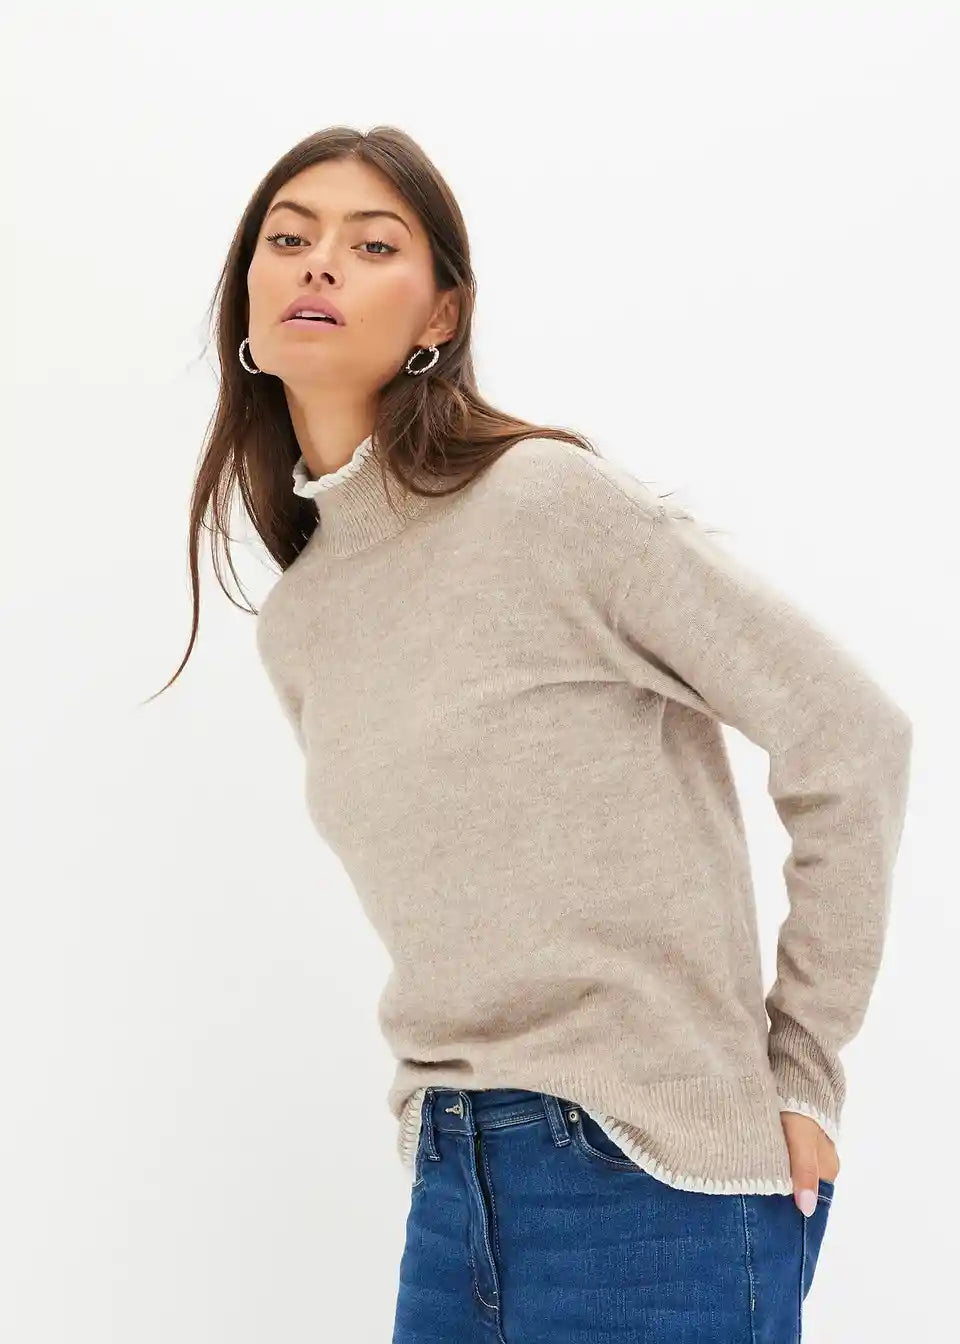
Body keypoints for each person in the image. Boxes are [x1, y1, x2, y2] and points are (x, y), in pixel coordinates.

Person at [149, 125, 912, 1342]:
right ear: (247, 294)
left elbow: (850, 731)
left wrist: (807, 1071)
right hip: (452, 1188)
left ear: (440, 314)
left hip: (654, 1177)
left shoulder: (545, 504)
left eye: (372, 244)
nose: (319, 262)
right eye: (288, 238)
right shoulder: (304, 620)